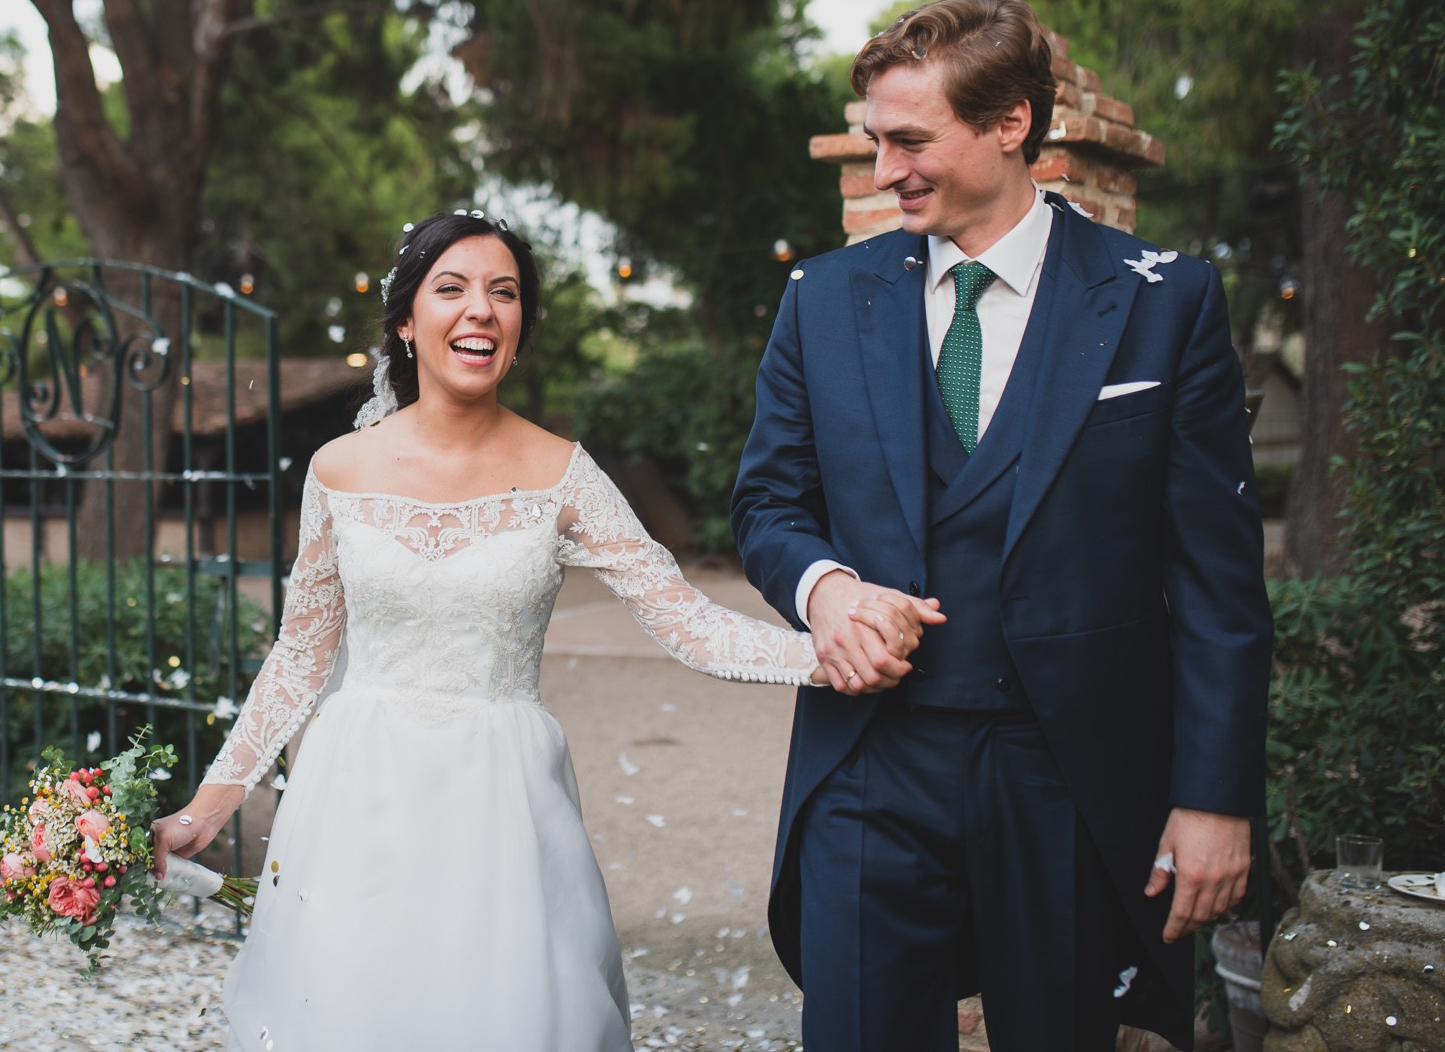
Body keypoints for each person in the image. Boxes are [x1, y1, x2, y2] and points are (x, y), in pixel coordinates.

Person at [153, 210, 942, 1052]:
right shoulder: (337, 471)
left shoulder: (562, 472)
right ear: (405, 322)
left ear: (520, 327)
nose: (481, 311)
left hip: (501, 804)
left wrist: (827, 652)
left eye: (504, 293)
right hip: (356, 794)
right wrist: (211, 801)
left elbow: (685, 619)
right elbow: (301, 652)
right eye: (451, 289)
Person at [731, 0, 1273, 1051]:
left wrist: (1214, 798)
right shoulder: (823, 299)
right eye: (874, 142)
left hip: (1063, 773)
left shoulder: (1163, 302)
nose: (884, 170)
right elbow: (766, 503)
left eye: (909, 141)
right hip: (867, 766)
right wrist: (823, 589)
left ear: (1010, 125)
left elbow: (1216, 583)